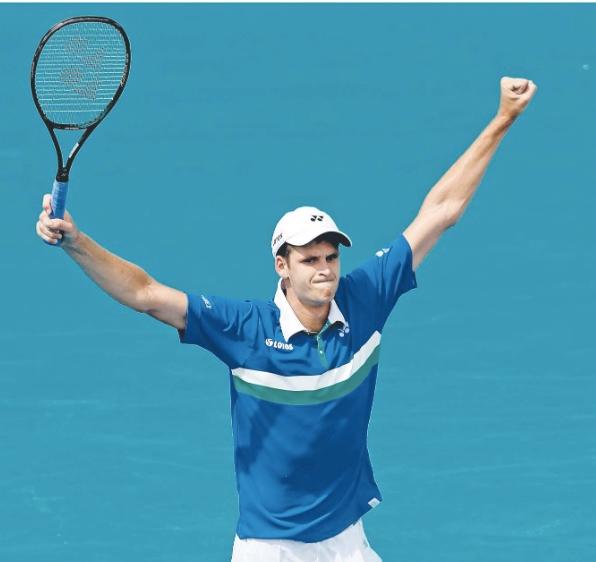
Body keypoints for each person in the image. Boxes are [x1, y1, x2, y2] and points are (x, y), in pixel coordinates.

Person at [36, 77, 537, 562]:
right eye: (309, 259)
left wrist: (503, 118)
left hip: (345, 540)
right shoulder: (245, 329)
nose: (325, 270)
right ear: (282, 266)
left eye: (331, 257)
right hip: (269, 548)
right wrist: (77, 243)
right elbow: (145, 294)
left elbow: (441, 210)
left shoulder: (364, 298)